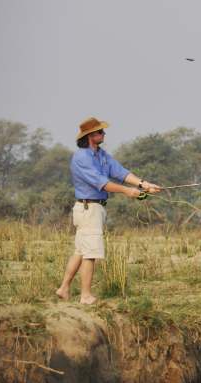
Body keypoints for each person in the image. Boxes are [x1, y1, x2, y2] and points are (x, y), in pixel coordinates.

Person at [55, 117, 163, 304]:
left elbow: (121, 172)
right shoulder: (81, 157)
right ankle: (85, 296)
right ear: (90, 136)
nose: (104, 134)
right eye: (100, 132)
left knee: (81, 251)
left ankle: (64, 288)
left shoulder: (102, 155)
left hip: (94, 208)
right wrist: (128, 191)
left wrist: (144, 184)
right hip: (88, 208)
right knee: (90, 253)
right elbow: (102, 183)